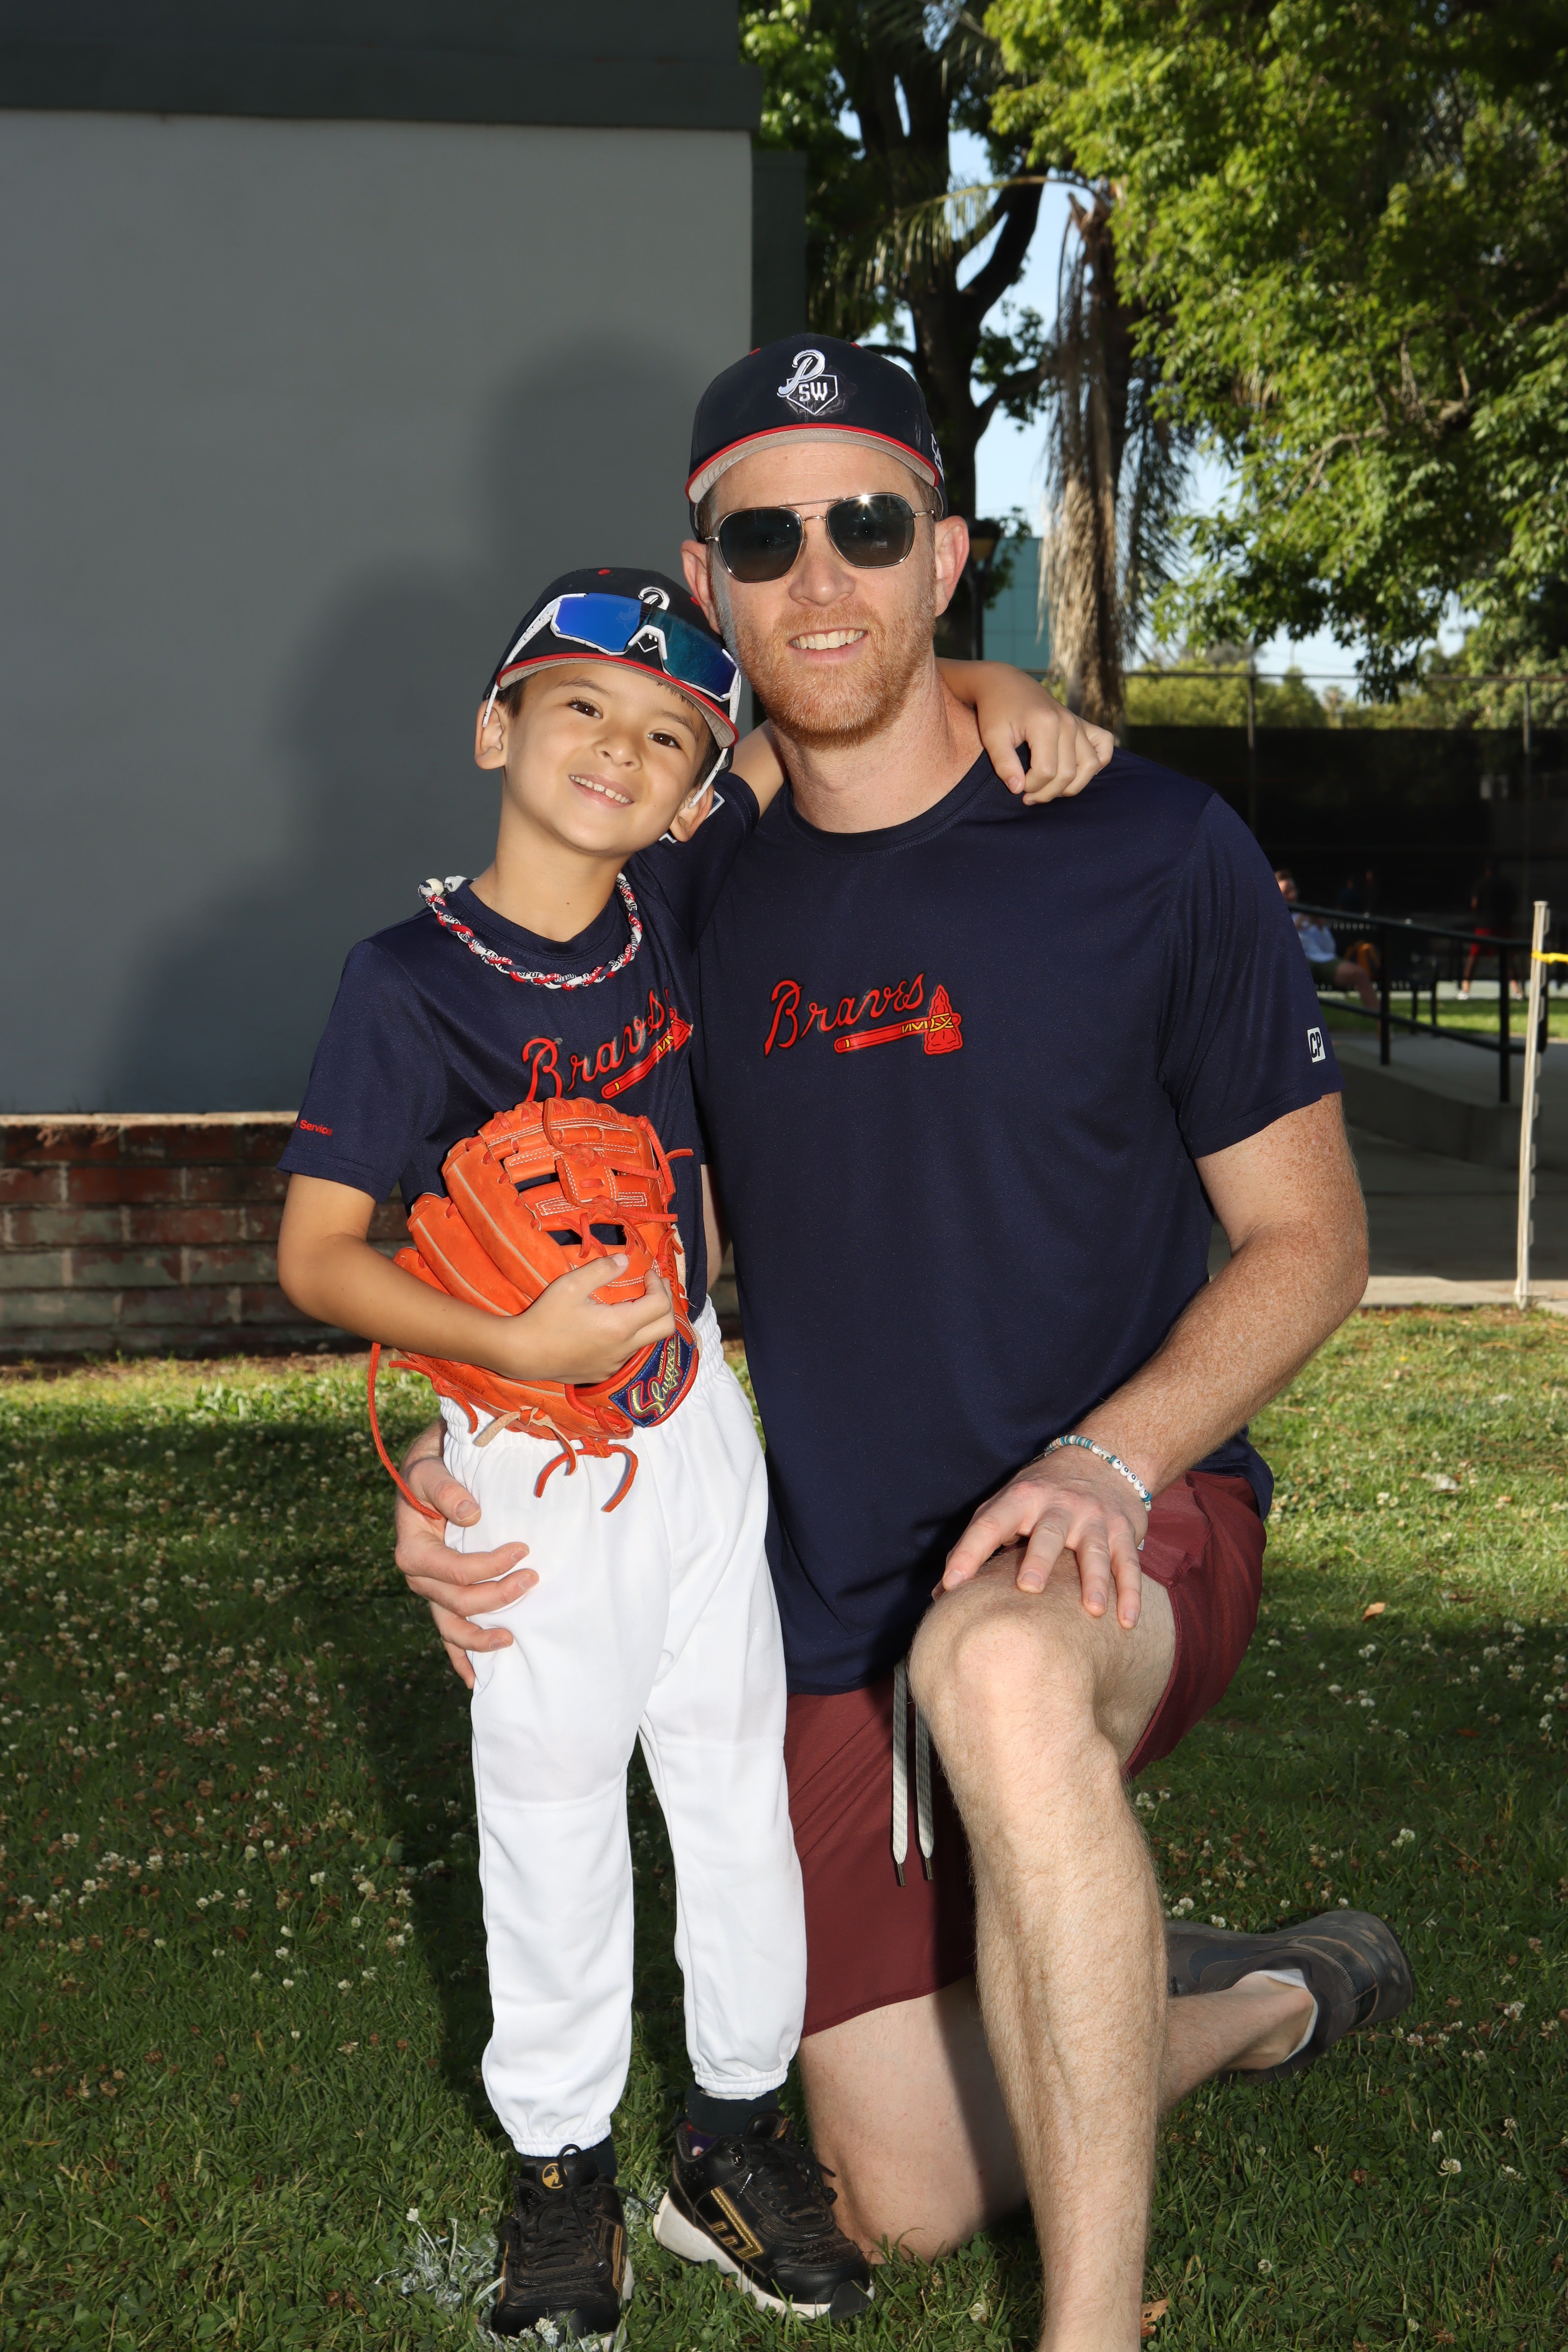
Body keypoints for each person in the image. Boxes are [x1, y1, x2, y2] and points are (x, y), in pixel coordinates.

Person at [392, 339, 1410, 2352]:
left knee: (1000, 1667)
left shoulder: (1150, 849)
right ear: (710, 584)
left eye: (868, 524)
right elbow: (560, 1220)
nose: (822, 577)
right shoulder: (682, 895)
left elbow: (1314, 1244)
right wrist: (446, 1453)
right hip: (826, 1599)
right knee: (895, 2193)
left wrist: (1108, 1459)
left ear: (948, 555)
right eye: (764, 540)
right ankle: (1243, 1994)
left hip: (1131, 1518)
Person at [275, 563, 1103, 2343]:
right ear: (493, 728)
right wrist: (505, 1348)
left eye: (665, 737)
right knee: (553, 1809)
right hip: (531, 1448)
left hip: (695, 1423)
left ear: (684, 792)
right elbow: (319, 1253)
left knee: (733, 1795)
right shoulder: (404, 981)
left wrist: (990, 683)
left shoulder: (670, 902)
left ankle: (731, 2136)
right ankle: (559, 2165)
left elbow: (820, 720)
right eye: (578, 706)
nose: (618, 750)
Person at [1274, 868, 1379, 1010]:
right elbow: (1277, 949)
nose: (1292, 895)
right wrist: (1295, 928)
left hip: (1320, 960)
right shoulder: (1273, 920)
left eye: (1293, 889)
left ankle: (1381, 1022)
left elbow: (1330, 950)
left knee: (1359, 974)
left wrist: (1321, 928)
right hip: (1295, 963)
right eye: (1287, 892)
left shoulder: (1306, 915)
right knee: (1296, 976)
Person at [1459, 860, 1523, 999]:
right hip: (1504, 926)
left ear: (1486, 870)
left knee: (1473, 959)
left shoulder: (1480, 884)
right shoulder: (1507, 885)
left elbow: (1475, 905)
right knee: (1508, 960)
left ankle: (1465, 990)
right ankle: (1517, 991)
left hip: (1485, 927)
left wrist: (1480, 915)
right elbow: (1514, 905)